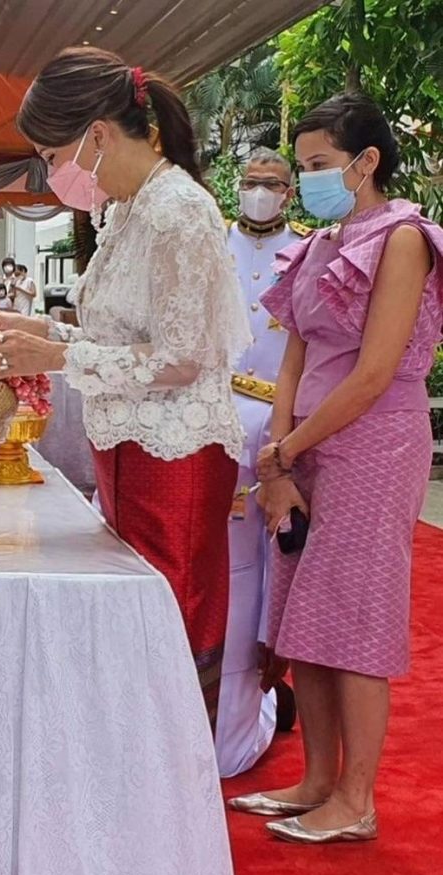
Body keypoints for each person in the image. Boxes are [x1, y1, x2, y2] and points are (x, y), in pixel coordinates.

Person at [0, 48, 250, 725]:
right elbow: (113, 329)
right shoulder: (128, 210)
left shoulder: (180, 211)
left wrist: (52, 353)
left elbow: (182, 359)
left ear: (99, 136)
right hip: (128, 446)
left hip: (176, 455)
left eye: (51, 156)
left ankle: (173, 795)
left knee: (166, 630)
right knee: (129, 630)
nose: (51, 173)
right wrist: (23, 324)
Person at [230, 93, 443, 843]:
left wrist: (287, 448)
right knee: (301, 613)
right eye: (302, 166)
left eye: (318, 166)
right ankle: (319, 779)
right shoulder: (321, 245)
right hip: (305, 448)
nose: (306, 180)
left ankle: (357, 799)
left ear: (366, 162)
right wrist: (279, 451)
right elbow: (294, 353)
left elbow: (374, 371)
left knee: (352, 616)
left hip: (375, 445)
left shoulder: (404, 238)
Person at [215, 149, 308, 778]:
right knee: (220, 560)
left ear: (290, 192)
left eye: (271, 184)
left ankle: (260, 700)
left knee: (268, 566)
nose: (259, 193)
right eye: (250, 183)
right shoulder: (211, 244)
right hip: (210, 418)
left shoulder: (307, 253)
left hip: (279, 426)